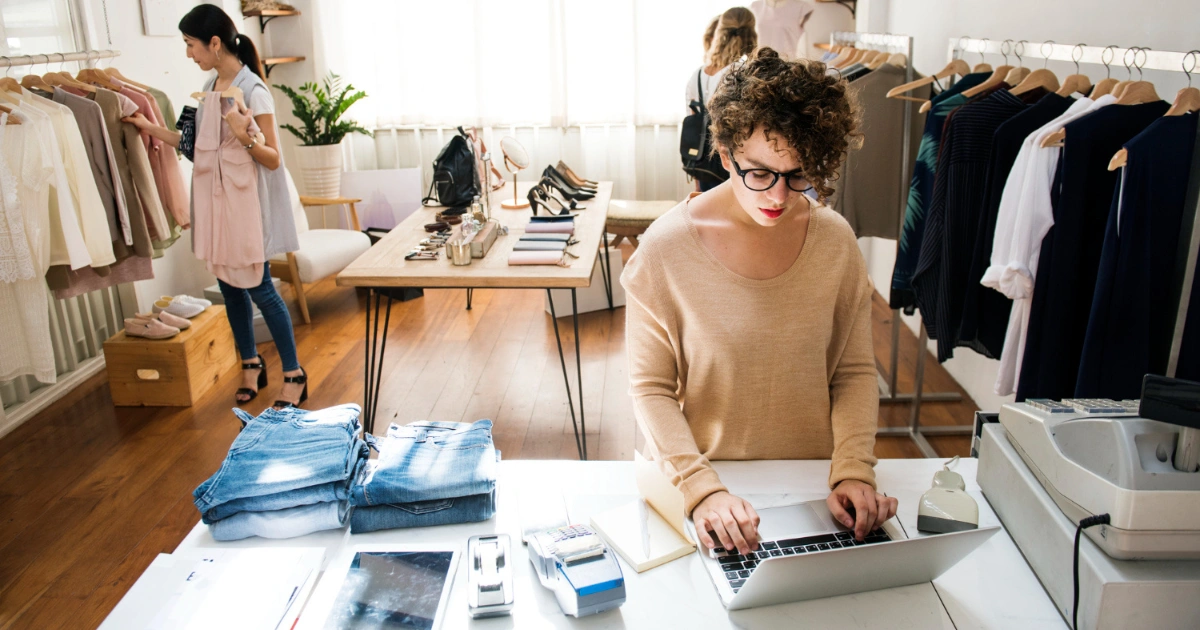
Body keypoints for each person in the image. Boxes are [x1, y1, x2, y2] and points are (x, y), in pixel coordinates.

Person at [626, 48, 896, 557]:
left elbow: (854, 372)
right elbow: (650, 389)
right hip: (709, 487)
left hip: (818, 490)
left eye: (798, 175)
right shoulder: (664, 250)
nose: (778, 195)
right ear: (725, 154)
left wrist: (854, 470)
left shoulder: (834, 241)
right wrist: (700, 489)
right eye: (760, 173)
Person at [124, 4, 306, 409]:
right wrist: (149, 128)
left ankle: (294, 372)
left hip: (245, 210)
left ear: (215, 42)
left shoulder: (253, 90)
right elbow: (192, 146)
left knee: (260, 288)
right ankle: (250, 364)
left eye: (191, 45)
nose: (189, 53)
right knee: (229, 287)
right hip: (217, 207)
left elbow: (273, 158)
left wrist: (244, 137)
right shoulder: (209, 88)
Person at [685, 7, 758, 192]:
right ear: (751, 35)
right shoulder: (742, 72)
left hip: (703, 163)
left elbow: (694, 124)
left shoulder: (698, 74)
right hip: (731, 163)